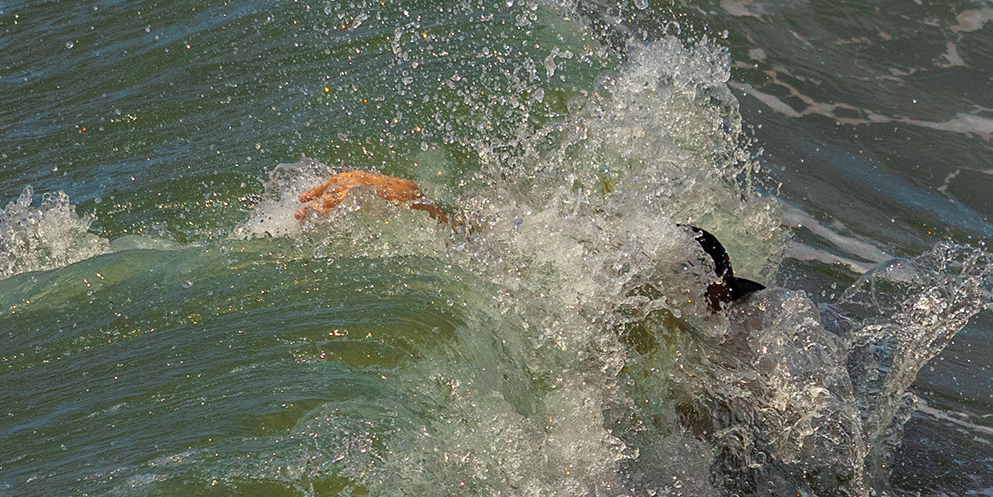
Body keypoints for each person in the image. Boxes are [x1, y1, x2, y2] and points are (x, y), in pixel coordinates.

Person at [296, 170, 763, 310]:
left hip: (546, 242)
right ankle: (376, 186)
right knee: (468, 233)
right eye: (722, 299)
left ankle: (377, 186)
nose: (722, 311)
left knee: (465, 229)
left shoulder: (621, 263)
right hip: (542, 259)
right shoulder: (623, 278)